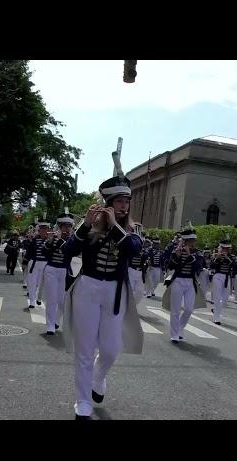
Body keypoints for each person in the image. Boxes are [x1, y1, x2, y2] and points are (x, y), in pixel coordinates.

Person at [61, 166, 143, 420]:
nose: (124, 206)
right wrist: (86, 224)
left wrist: (115, 225)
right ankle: (83, 401)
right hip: (88, 287)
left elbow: (133, 250)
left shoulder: (132, 229)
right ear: (108, 202)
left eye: (127, 201)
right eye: (119, 201)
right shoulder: (89, 228)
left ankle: (99, 376)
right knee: (85, 349)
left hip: (115, 291)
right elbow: (68, 251)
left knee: (109, 349)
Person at [162, 224, 205, 343]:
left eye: (193, 241)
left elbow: (198, 267)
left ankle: (180, 328)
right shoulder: (177, 251)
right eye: (189, 241)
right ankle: (175, 334)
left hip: (190, 282)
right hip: (178, 281)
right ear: (184, 241)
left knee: (189, 309)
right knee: (175, 310)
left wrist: (190, 254)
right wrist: (177, 255)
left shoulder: (198, 253)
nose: (192, 243)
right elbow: (170, 266)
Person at [42, 212, 74, 335]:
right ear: (59, 226)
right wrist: (49, 242)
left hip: (65, 271)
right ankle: (50, 325)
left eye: (69, 226)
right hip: (51, 269)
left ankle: (55, 320)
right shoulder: (53, 238)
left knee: (63, 301)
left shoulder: (72, 240)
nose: (67, 228)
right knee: (52, 299)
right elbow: (45, 253)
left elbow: (72, 253)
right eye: (64, 226)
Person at [24, 218, 50, 308]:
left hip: (45, 264)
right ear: (39, 231)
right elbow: (29, 251)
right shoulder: (34, 240)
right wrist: (25, 262)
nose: (44, 231)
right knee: (32, 282)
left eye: (45, 229)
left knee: (41, 283)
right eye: (42, 229)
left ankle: (39, 298)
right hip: (34, 263)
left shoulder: (50, 241)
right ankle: (32, 301)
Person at [211, 236, 234, 325]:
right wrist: (218, 258)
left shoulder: (231, 256)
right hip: (218, 276)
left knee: (225, 299)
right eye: (224, 248)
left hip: (227, 278)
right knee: (218, 298)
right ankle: (217, 318)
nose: (226, 250)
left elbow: (234, 265)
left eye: (227, 249)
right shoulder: (216, 256)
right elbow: (212, 266)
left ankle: (216, 309)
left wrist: (227, 258)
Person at [127, 224, 148, 304]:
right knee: (129, 291)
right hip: (131, 270)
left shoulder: (144, 251)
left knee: (140, 292)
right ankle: (128, 307)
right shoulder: (131, 244)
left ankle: (133, 306)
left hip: (139, 273)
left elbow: (145, 262)